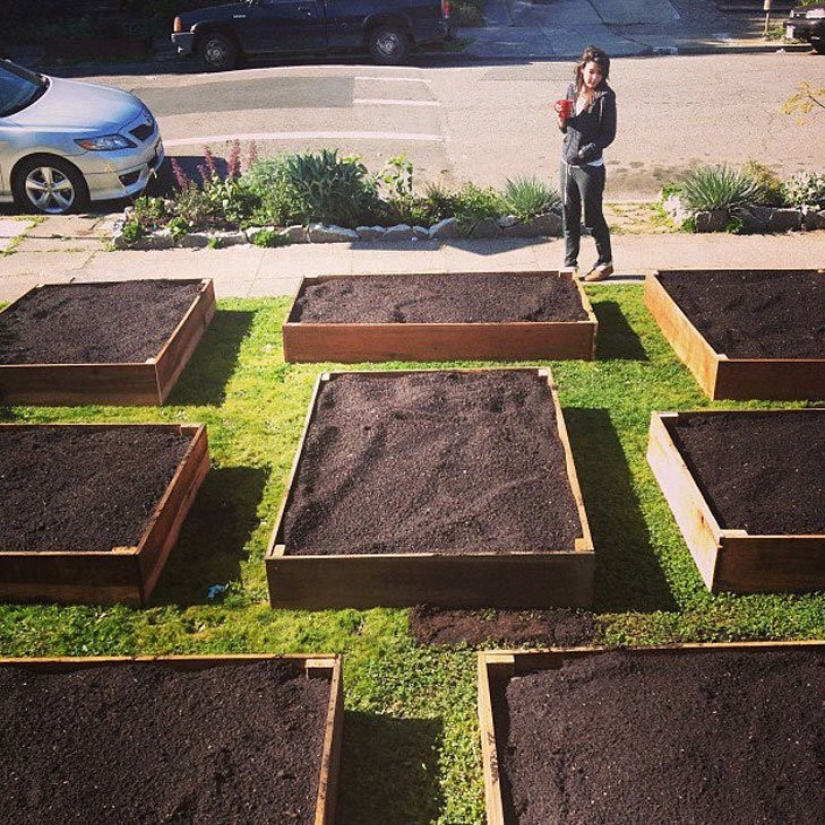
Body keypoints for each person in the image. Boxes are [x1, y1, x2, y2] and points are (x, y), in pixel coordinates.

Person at [556, 46, 617, 281]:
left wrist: (584, 153)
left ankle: (605, 262)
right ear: (582, 69)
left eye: (599, 73)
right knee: (569, 213)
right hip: (566, 162)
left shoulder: (606, 98)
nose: (594, 78)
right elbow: (566, 128)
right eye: (591, 71)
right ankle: (570, 263)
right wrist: (561, 118)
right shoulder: (572, 89)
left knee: (592, 217)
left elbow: (608, 135)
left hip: (589, 168)